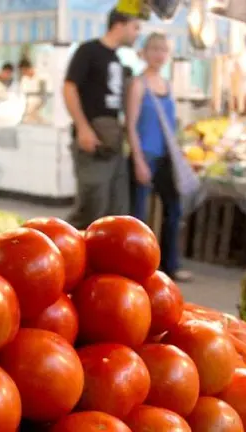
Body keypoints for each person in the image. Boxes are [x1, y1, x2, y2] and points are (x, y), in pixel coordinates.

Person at [62, 8, 141, 229]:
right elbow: (69, 88)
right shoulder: (88, 51)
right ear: (120, 25)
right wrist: (83, 128)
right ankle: (63, 252)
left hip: (113, 142)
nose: (137, 34)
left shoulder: (117, 58)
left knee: (116, 212)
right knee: (90, 208)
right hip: (92, 140)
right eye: (135, 27)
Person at [126, 32, 191, 282]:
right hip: (146, 156)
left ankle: (170, 265)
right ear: (144, 52)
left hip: (166, 158)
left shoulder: (168, 85)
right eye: (154, 49)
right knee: (139, 217)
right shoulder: (138, 84)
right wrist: (138, 160)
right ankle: (137, 269)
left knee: (174, 209)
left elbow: (170, 125)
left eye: (163, 50)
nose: (159, 55)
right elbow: (131, 126)